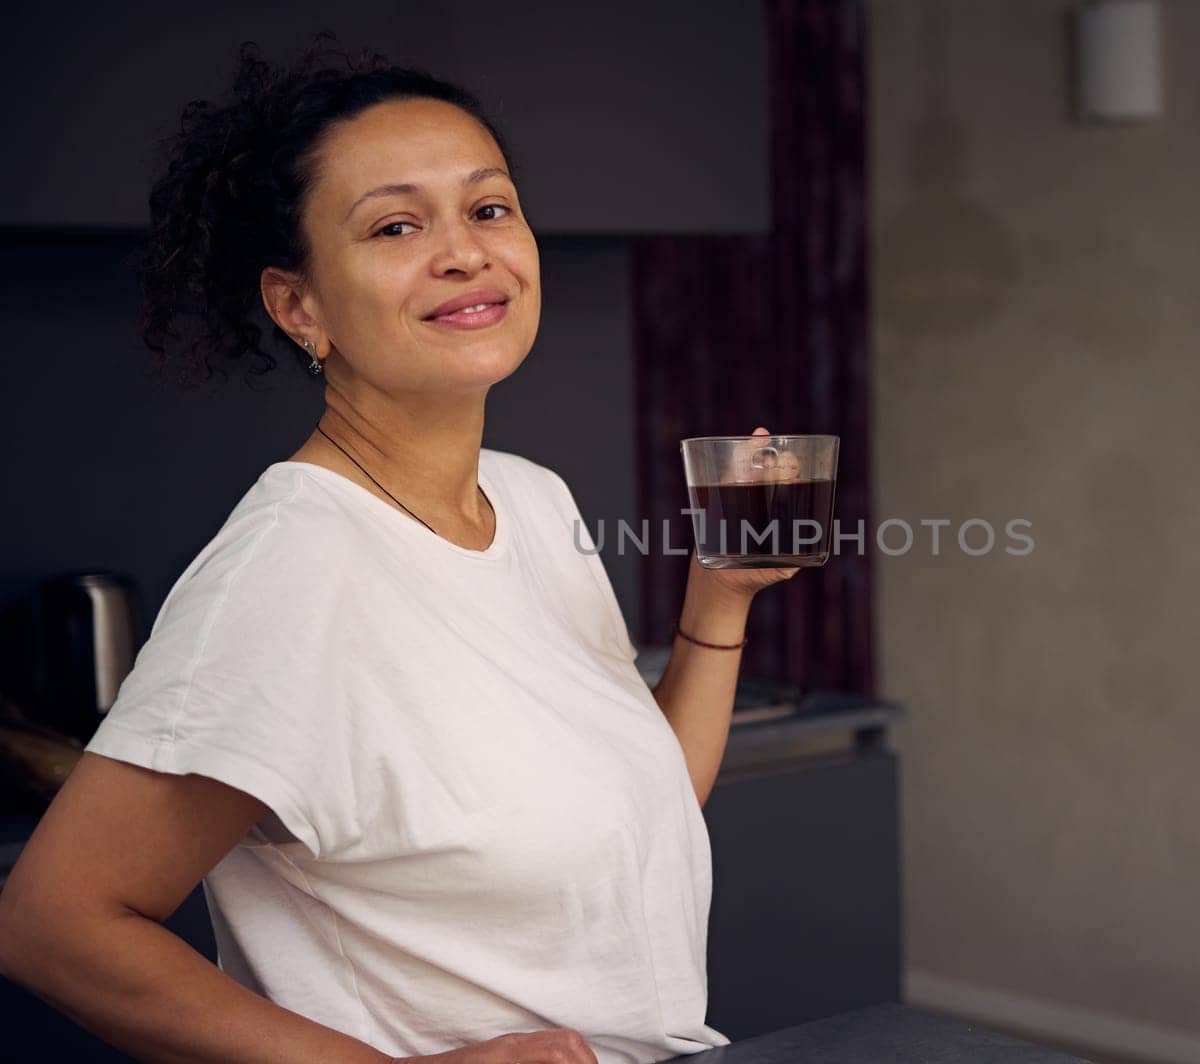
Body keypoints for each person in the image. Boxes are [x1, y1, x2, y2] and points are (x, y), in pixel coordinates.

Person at [0, 40, 796, 1064]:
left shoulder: (529, 496)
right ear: (300, 306)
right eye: (394, 225)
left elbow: (639, 809)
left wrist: (716, 603)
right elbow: (49, 921)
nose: (465, 251)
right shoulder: (292, 570)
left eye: (489, 207)